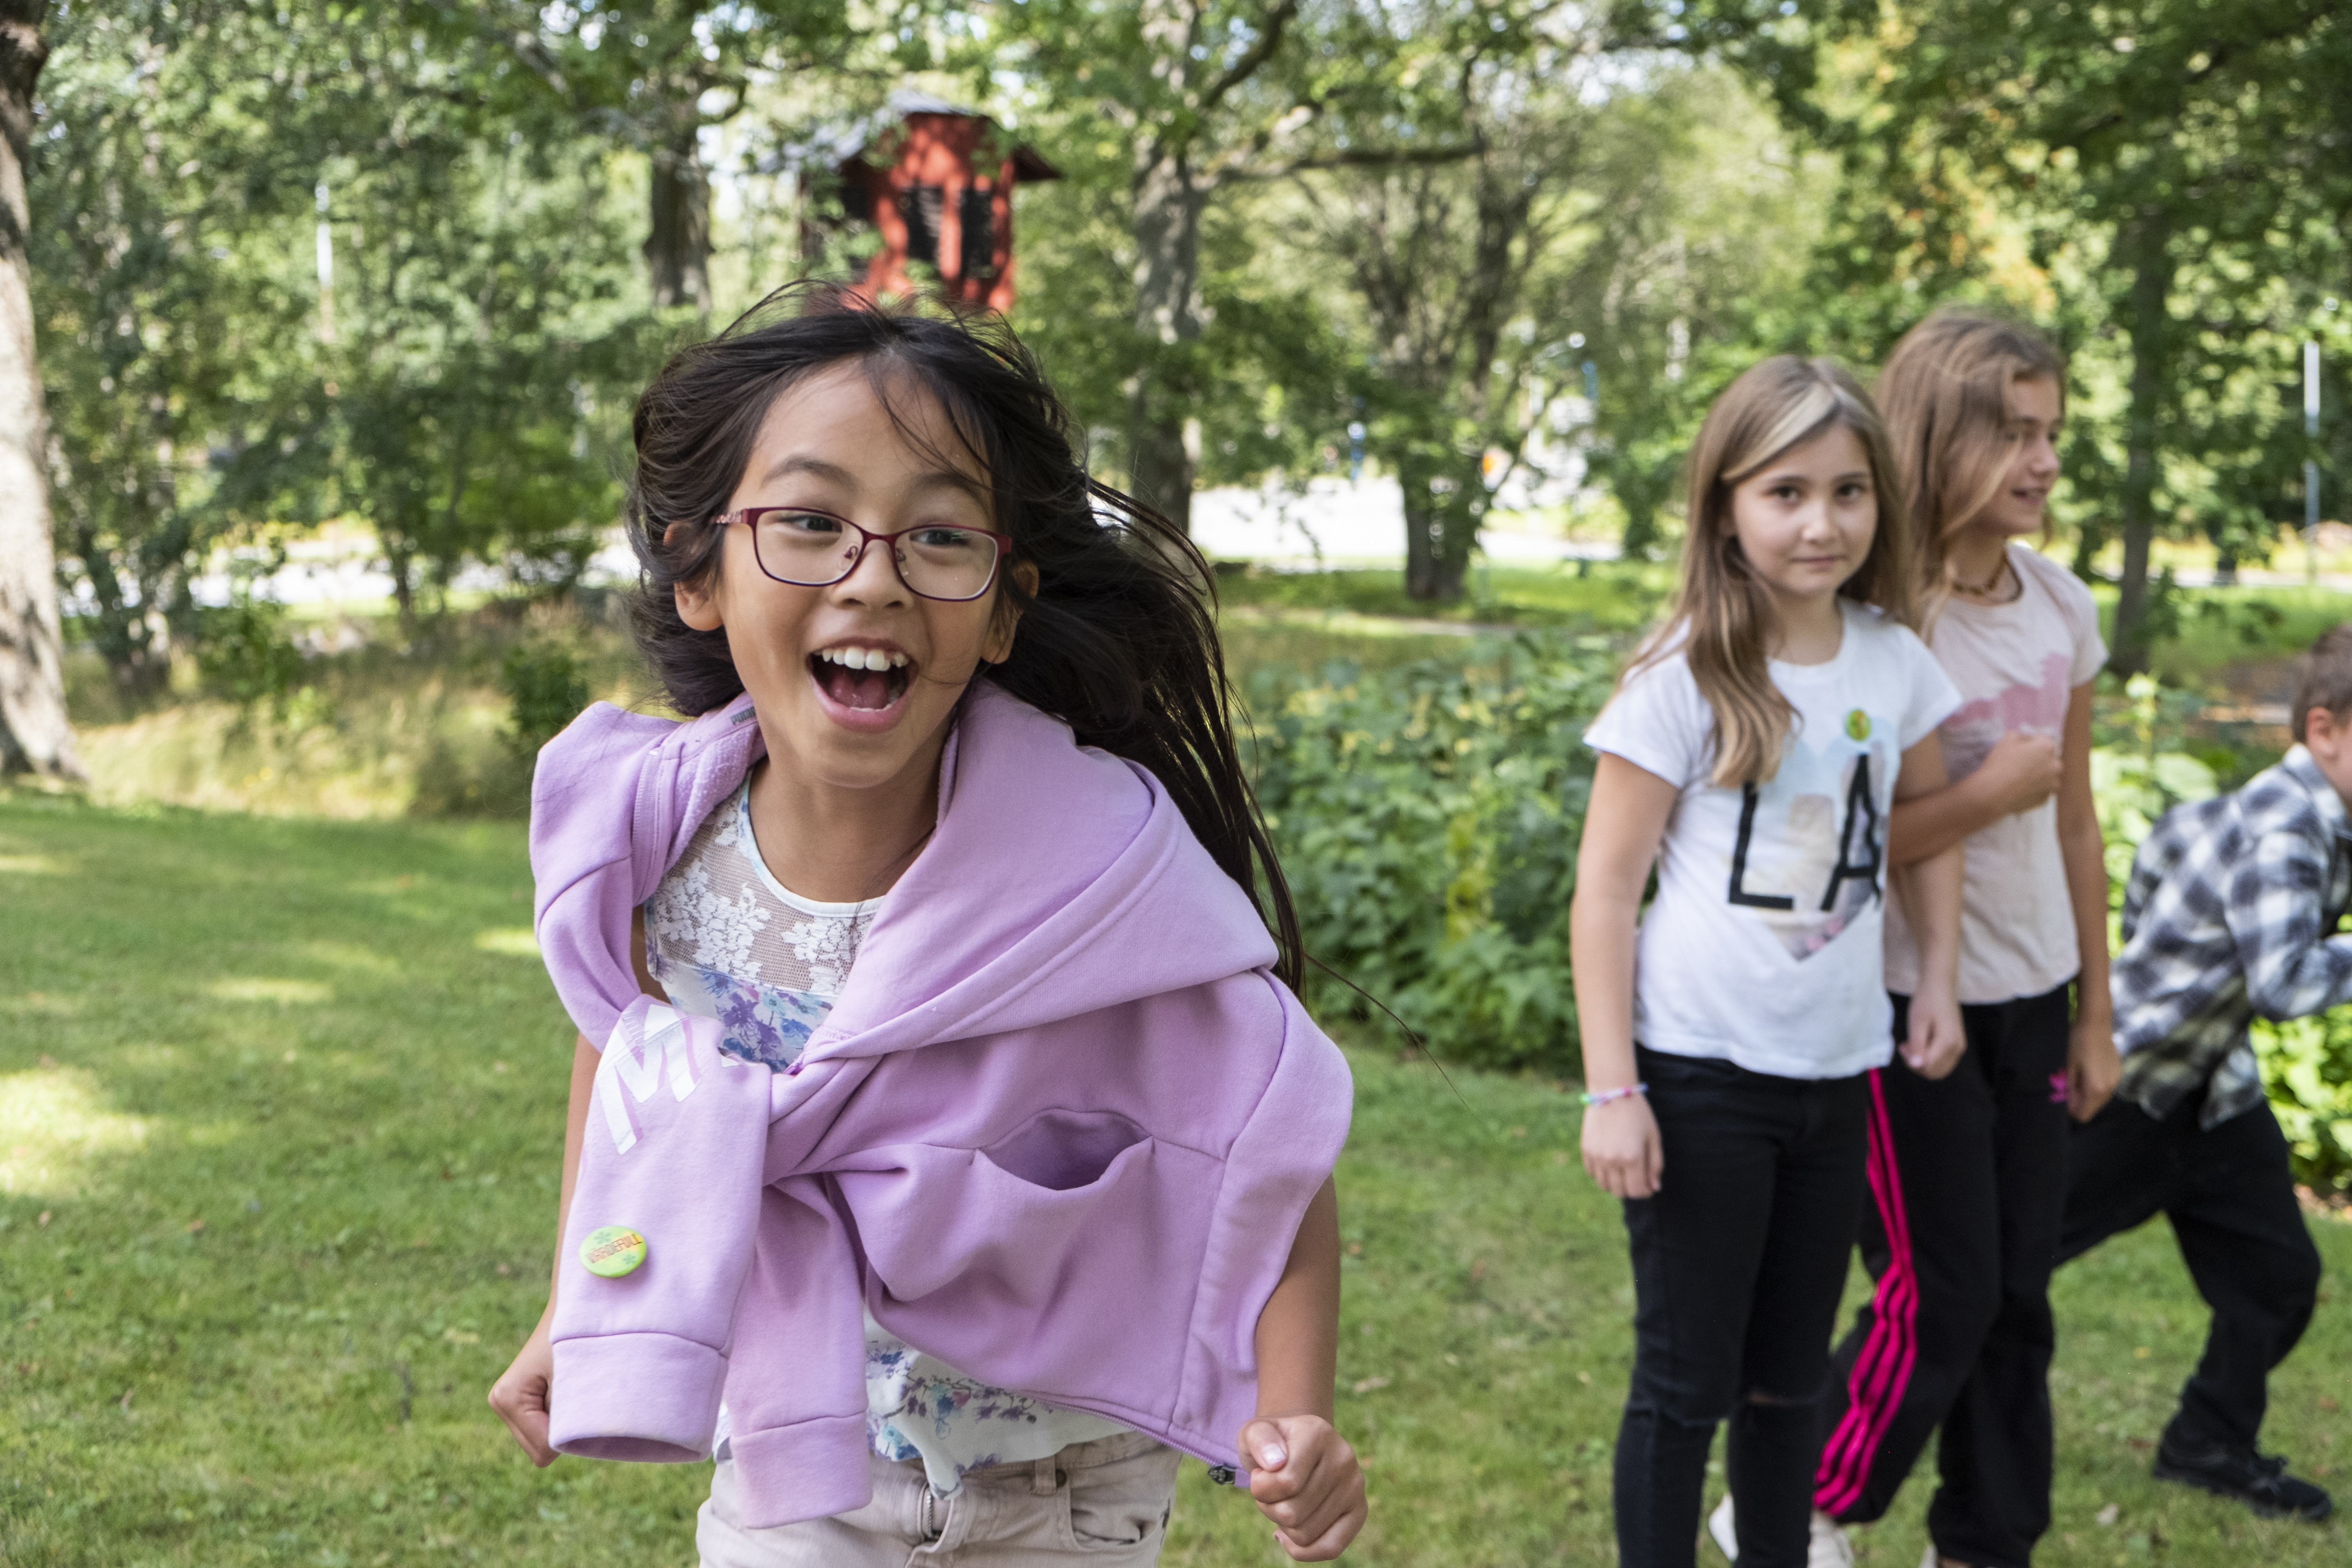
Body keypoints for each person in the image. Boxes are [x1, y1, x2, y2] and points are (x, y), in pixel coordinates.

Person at [486, 287, 1368, 1565]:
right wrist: (582, 1302)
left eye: (939, 538)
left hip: (1059, 1496)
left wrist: (1294, 1409)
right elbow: (634, 1065)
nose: (874, 576)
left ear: (1003, 606)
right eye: (808, 522)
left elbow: (1266, 1139)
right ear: (698, 571)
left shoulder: (1093, 882)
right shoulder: (658, 851)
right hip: (800, 1463)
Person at [1572, 355, 1967, 1568]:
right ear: (1726, 504)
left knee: (1794, 1383)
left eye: (1849, 493)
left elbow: (1929, 833)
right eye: (1786, 492)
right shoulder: (1684, 674)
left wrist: (1938, 974)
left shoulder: (1893, 659)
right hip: (1698, 1080)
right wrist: (1614, 1090)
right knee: (1687, 1382)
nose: (1822, 522)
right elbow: (1603, 893)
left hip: (1836, 1077)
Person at [1792, 311, 2119, 1568]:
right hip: (1904, 1005)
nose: (2042, 461)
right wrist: (1985, 796)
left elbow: (2078, 821)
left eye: (2053, 433)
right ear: (1942, 434)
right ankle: (1798, 1502)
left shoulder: (2061, 607)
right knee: (1943, 1296)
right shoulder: (1888, 621)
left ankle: (1985, 1544)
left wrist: (2094, 1012)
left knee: (2020, 1298)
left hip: (2034, 995)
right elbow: (1844, 835)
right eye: (2014, 433)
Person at [2056, 627, 2352, 1526]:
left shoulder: (2264, 812)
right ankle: (1835, 1414)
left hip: (2212, 1090)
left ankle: (2207, 1443)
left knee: (2275, 1275)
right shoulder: (2286, 825)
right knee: (1992, 1273)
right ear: (2326, 729)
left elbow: (2163, 852)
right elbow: (2288, 980)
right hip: (2125, 1090)